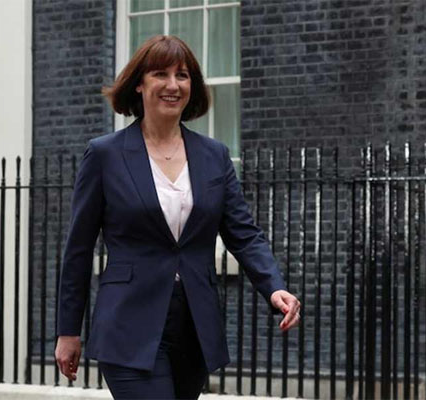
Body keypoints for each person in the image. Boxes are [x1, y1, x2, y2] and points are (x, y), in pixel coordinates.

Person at [54, 35, 300, 400]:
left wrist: (274, 285)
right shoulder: (105, 155)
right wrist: (68, 331)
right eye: (160, 74)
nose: (173, 85)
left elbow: (243, 233)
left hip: (194, 325)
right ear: (139, 83)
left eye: (182, 75)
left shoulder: (214, 156)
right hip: (128, 324)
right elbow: (78, 248)